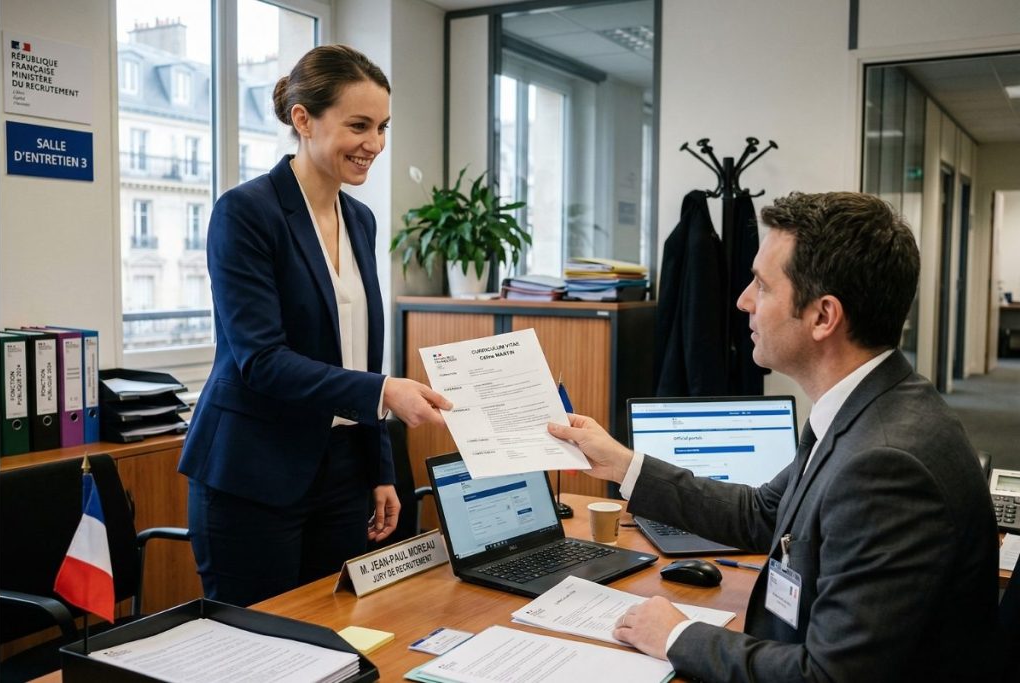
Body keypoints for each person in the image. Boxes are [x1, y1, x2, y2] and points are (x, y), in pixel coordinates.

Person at [549, 192, 1000, 682]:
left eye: (762, 286)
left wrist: (677, 636)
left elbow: (827, 677)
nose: (743, 301)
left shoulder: (886, 463)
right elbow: (764, 513)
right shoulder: (872, 404)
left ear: (824, 317)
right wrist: (621, 464)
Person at [179, 45, 451, 607]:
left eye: (382, 127)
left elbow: (358, 356)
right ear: (303, 119)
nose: (374, 144)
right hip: (253, 471)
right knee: (260, 650)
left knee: (336, 632)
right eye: (359, 125)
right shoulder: (245, 212)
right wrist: (383, 393)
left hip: (343, 471)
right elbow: (261, 359)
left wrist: (379, 468)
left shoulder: (360, 219)